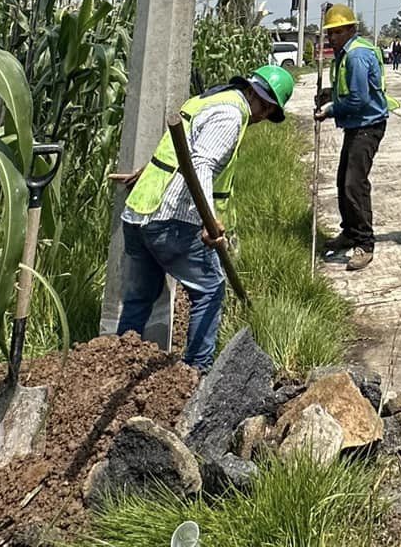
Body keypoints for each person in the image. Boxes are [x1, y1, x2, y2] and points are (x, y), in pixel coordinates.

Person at [111, 63, 294, 369]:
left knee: (140, 298)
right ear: (252, 95)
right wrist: (209, 220)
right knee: (210, 288)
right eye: (264, 108)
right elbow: (201, 164)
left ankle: (118, 364)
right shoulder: (231, 115)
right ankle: (196, 372)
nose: (262, 118)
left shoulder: (208, 100)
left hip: (140, 212)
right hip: (172, 217)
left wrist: (147, 171)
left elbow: (178, 148)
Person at [315, 4, 393, 271]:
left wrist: (330, 109)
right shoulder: (345, 53)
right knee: (342, 181)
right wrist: (330, 94)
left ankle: (364, 242)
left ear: (350, 29)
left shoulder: (357, 56)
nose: (332, 37)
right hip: (356, 126)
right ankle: (349, 232)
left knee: (354, 184)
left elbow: (359, 99)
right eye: (330, 33)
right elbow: (348, 88)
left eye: (337, 32)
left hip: (367, 126)